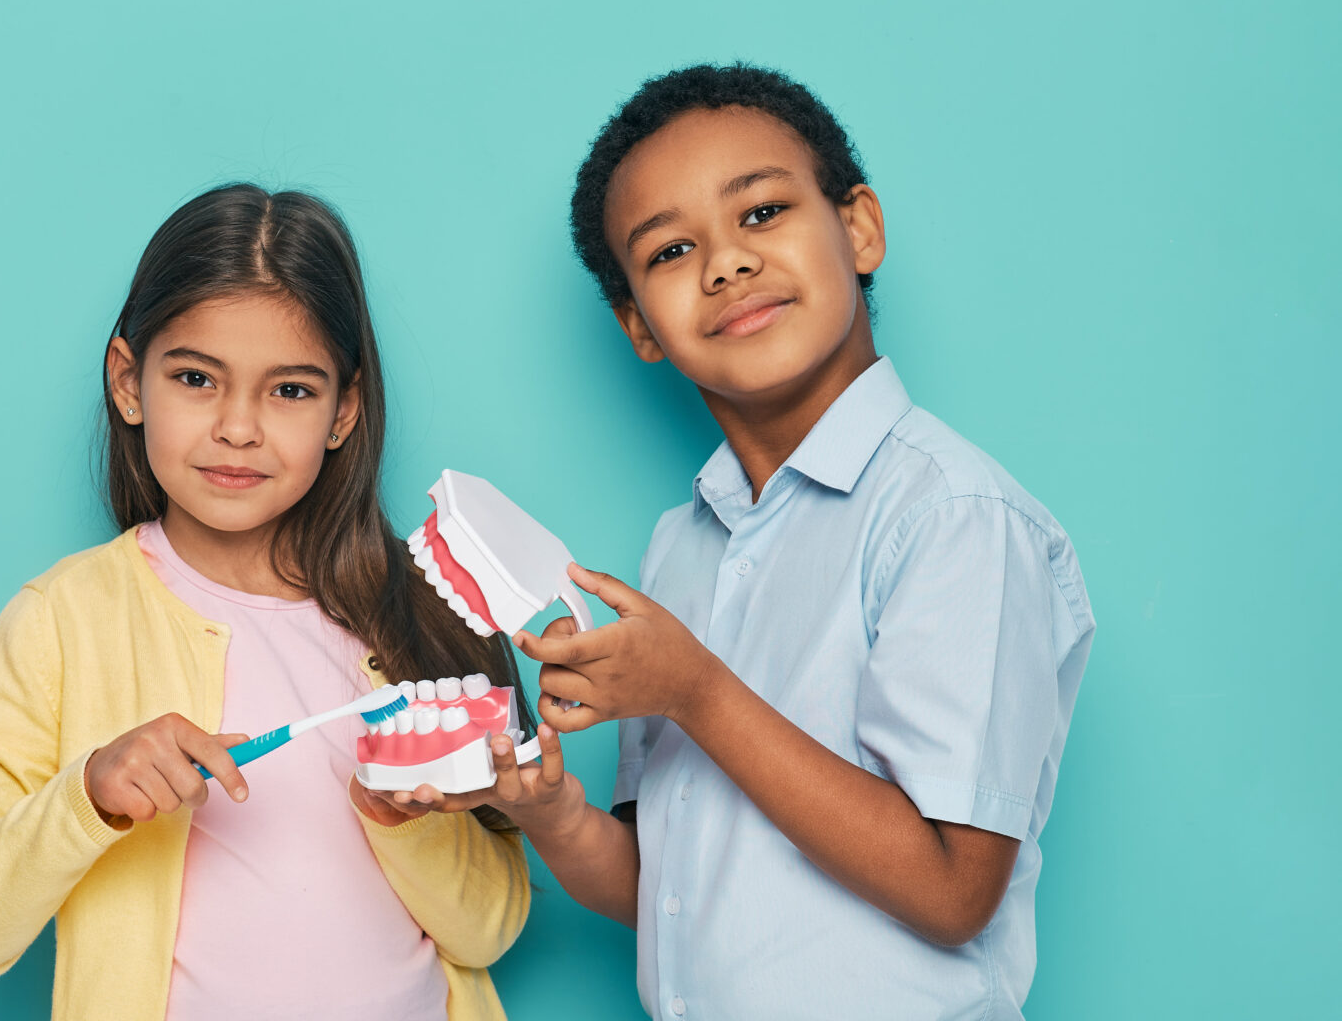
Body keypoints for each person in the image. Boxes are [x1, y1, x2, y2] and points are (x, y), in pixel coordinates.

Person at [389, 64, 1094, 1019]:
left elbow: (954, 890)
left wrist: (696, 690)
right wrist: (546, 810)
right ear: (639, 325)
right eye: (672, 250)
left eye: (760, 213)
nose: (725, 263)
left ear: (859, 229)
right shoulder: (679, 549)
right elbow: (666, 896)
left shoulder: (954, 517)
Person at [0, 184, 530, 1021]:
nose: (238, 428)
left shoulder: (412, 614)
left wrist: (405, 819)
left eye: (291, 391)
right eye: (197, 378)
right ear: (129, 383)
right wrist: (87, 795)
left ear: (345, 409)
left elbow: (491, 932)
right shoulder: (63, 622)